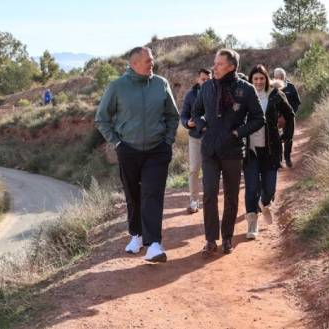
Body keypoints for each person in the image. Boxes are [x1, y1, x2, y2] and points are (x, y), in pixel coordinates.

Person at [95, 47, 180, 263]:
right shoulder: (117, 87)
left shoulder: (161, 84)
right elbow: (102, 118)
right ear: (134, 64)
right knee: (133, 195)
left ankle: (153, 244)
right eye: (148, 60)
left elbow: (173, 115)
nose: (152, 63)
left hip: (157, 149)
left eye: (152, 59)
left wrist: (168, 141)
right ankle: (136, 234)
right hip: (129, 150)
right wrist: (117, 142)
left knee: (152, 193)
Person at [193, 49, 263, 255]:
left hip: (233, 150)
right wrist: (202, 126)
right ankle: (210, 240)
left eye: (219, 64)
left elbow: (259, 118)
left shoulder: (246, 89)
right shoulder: (207, 87)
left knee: (231, 197)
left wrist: (238, 133)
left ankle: (227, 238)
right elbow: (196, 111)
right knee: (209, 194)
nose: (214, 67)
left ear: (231, 67)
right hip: (209, 150)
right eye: (214, 63)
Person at [243, 65, 295, 238]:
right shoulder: (245, 96)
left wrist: (287, 135)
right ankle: (252, 224)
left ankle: (263, 203)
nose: (258, 81)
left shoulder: (275, 95)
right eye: (255, 79)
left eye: (261, 78)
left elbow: (290, 115)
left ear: (266, 79)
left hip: (271, 149)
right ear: (251, 80)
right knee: (251, 187)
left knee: (270, 189)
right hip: (250, 150)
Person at [179, 68, 212, 213]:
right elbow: (183, 115)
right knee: (194, 169)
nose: (206, 81)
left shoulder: (217, 92)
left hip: (212, 137)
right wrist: (187, 123)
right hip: (195, 137)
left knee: (210, 170)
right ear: (198, 79)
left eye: (208, 79)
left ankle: (209, 200)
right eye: (203, 79)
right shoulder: (190, 95)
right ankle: (194, 201)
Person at [273, 68, 300, 167]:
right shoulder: (272, 88)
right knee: (275, 138)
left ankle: (287, 158)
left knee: (288, 137)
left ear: (283, 77)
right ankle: (278, 159)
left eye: (280, 77)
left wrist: (290, 115)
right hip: (276, 118)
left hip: (289, 117)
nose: (278, 79)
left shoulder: (290, 87)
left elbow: (297, 102)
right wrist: (277, 116)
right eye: (276, 77)